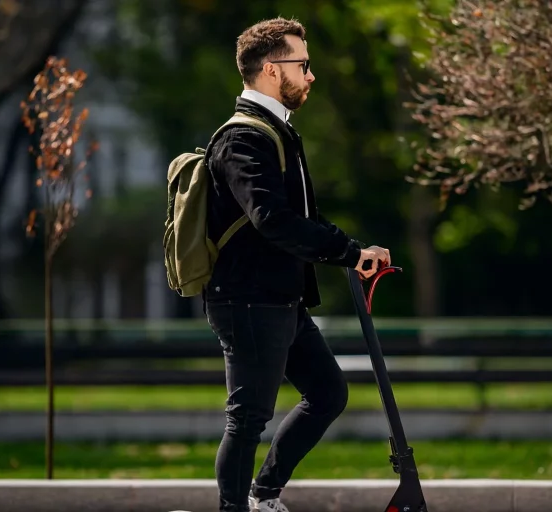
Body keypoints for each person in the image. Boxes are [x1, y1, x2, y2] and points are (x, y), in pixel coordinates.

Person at [200, 16, 391, 512]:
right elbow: (272, 220)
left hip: (280, 297)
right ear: (269, 69)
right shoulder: (241, 139)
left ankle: (263, 494)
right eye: (302, 64)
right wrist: (347, 253)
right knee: (248, 418)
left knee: (328, 393)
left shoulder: (276, 132)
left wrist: (353, 249)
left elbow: (302, 216)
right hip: (247, 299)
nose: (310, 75)